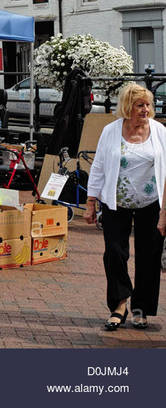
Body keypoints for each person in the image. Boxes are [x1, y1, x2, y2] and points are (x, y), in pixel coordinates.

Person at [85, 83, 166, 331]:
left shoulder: (159, 131)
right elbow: (98, 166)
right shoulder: (111, 131)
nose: (146, 109)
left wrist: (165, 213)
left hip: (151, 204)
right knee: (115, 253)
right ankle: (119, 305)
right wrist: (91, 202)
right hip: (115, 202)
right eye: (140, 105)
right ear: (127, 106)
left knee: (149, 257)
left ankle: (141, 308)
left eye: (148, 105)